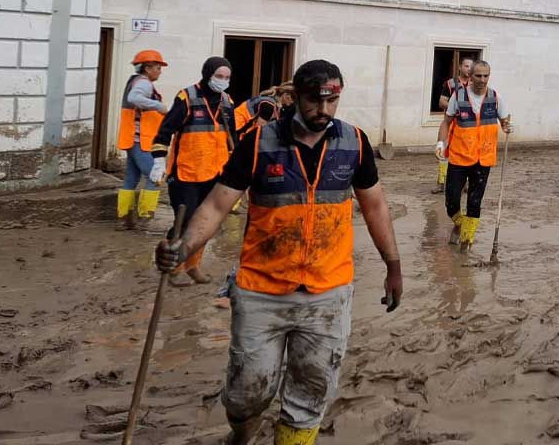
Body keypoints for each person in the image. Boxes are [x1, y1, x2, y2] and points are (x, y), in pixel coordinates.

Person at [154, 59, 403, 445]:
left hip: (327, 293)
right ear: (295, 96)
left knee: (310, 393)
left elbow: (375, 207)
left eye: (332, 101)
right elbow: (218, 206)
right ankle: (241, 432)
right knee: (245, 395)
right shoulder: (260, 142)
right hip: (260, 292)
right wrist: (183, 246)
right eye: (314, 101)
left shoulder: (354, 142)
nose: (323, 111)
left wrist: (393, 265)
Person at [149, 57, 236, 285]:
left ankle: (192, 265)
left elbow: (232, 139)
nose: (223, 81)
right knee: (185, 221)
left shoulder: (227, 101)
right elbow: (165, 130)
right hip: (186, 173)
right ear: (207, 74)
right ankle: (174, 269)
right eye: (219, 76)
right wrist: (158, 160)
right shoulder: (186, 97)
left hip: (215, 172)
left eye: (227, 77)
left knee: (205, 223)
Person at [436, 61, 512, 251]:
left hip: (483, 158)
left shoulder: (495, 97)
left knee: (475, 202)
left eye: (486, 76)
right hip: (459, 157)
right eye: (478, 76)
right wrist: (440, 143)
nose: (482, 80)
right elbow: (446, 122)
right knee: (451, 201)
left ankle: (467, 241)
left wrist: (507, 126)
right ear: (470, 77)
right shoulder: (458, 96)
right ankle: (459, 223)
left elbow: (504, 120)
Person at [116, 50, 169, 232]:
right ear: (147, 68)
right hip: (141, 141)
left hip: (133, 139)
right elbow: (134, 98)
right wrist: (159, 106)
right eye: (157, 67)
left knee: (131, 179)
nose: (160, 71)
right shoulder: (144, 84)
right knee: (156, 177)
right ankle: (145, 219)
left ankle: (124, 219)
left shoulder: (135, 81)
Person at [433, 57, 475, 195]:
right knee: (444, 154)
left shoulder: (475, 84)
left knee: (468, 154)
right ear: (460, 67)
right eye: (466, 66)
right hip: (451, 123)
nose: (469, 69)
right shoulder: (450, 84)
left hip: (467, 125)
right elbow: (441, 102)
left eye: (471, 66)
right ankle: (441, 183)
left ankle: (467, 183)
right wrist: (456, 107)